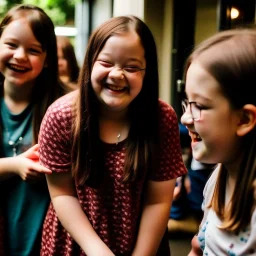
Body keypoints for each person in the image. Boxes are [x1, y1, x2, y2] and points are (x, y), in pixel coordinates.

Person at [39, 15, 187, 255]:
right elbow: (62, 194)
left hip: (143, 242)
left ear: (147, 72)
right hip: (75, 242)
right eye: (106, 62)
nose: (117, 74)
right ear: (90, 63)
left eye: (131, 67)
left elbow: (158, 200)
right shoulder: (61, 116)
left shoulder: (162, 118)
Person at [0, 4, 71, 255]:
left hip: (47, 237)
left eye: (33, 50)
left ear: (48, 58)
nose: (20, 56)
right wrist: (14, 166)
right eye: (11, 45)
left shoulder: (66, 108)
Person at [181, 28, 256, 255]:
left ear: (243, 119)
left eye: (199, 106)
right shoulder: (217, 178)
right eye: (187, 103)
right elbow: (199, 247)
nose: (184, 118)